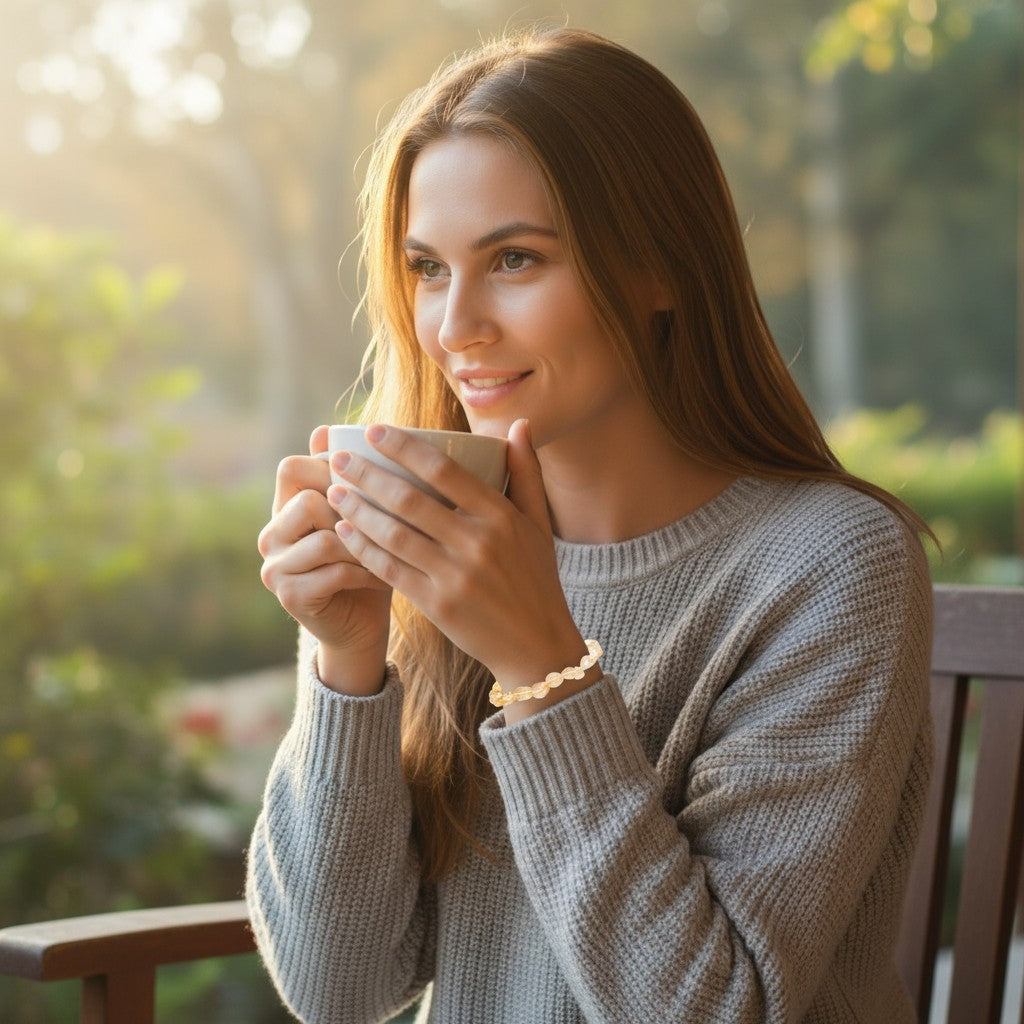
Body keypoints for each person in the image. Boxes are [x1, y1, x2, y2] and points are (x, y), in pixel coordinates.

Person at [248, 25, 933, 1024]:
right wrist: (346, 663)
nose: (454, 326)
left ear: (660, 268)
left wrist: (541, 667)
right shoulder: (449, 551)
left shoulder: (831, 565)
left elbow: (707, 1008)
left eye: (515, 258)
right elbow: (337, 989)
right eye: (428, 268)